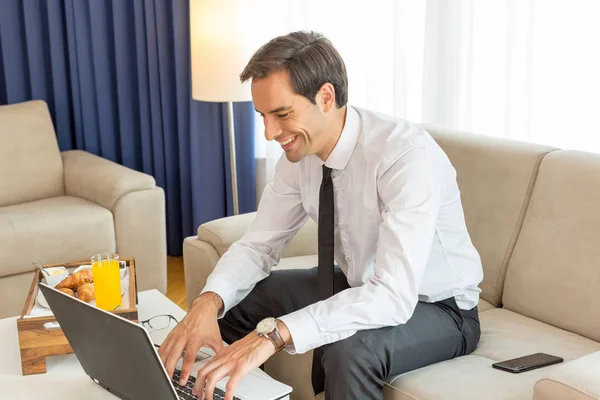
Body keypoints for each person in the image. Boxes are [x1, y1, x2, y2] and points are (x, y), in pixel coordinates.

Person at [158, 30, 483, 400]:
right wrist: (207, 301)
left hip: (440, 308)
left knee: (350, 352)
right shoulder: (298, 158)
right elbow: (258, 246)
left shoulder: (403, 157)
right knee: (241, 299)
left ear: (325, 97)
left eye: (281, 114)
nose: (269, 132)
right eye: (263, 116)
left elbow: (393, 295)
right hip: (360, 285)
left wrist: (276, 333)